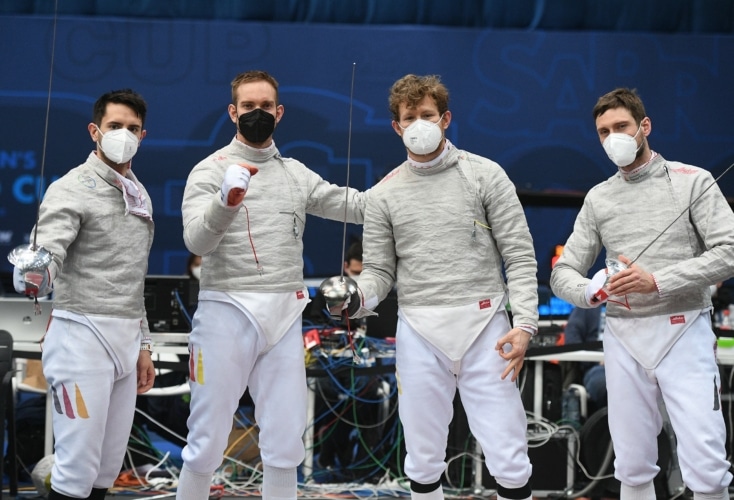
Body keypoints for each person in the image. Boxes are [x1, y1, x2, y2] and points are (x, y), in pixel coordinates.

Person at [342, 74, 538, 500]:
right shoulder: (383, 195)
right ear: (396, 126)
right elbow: (379, 272)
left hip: (487, 325)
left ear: (445, 118)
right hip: (419, 328)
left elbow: (520, 256)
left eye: (426, 115)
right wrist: (356, 297)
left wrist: (524, 325)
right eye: (409, 117)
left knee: (508, 454)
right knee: (423, 455)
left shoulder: (485, 175)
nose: (418, 123)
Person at [177, 70, 368, 500]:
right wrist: (225, 201)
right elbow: (196, 240)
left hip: (283, 315)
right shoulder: (209, 171)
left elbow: (353, 205)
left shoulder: (296, 175)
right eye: (248, 106)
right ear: (233, 112)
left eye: (265, 107)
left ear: (278, 113)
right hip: (225, 312)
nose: (256, 113)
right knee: (207, 436)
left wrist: (407, 187)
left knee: (284, 441)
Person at [550, 87, 734, 500]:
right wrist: (591, 290)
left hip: (683, 329)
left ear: (644, 126)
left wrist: (660, 280)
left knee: (705, 463)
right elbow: (563, 272)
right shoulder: (599, 198)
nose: (612, 136)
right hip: (623, 337)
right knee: (631, 465)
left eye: (622, 126)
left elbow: (731, 250)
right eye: (603, 131)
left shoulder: (693, 182)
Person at [12, 89, 156, 500]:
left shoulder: (138, 192)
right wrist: (39, 271)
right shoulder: (71, 187)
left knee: (105, 470)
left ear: (143, 135)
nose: (123, 134)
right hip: (82, 340)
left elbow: (134, 278)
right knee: (75, 467)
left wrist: (144, 344)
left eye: (132, 128)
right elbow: (51, 246)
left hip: (126, 342)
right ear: (95, 131)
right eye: (114, 127)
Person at [562, 306, 607, 412]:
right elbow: (572, 339)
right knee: (606, 385)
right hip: (598, 367)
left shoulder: (636, 303)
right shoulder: (587, 306)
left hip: (634, 365)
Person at [308, 240, 363, 325]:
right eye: (356, 273)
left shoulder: (384, 292)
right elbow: (315, 323)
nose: (360, 277)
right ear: (346, 267)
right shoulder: (328, 291)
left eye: (364, 273)